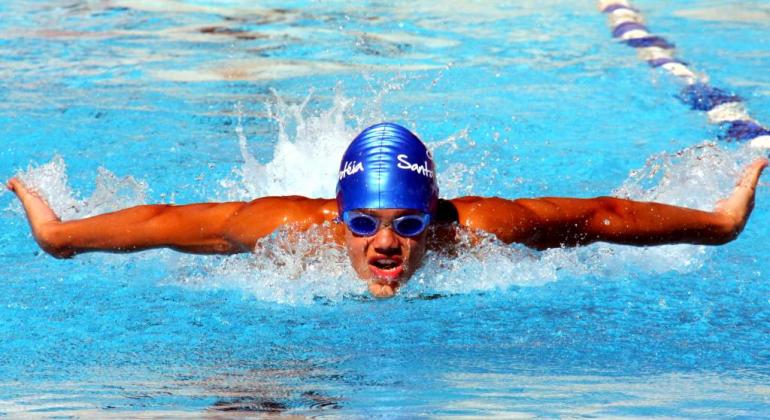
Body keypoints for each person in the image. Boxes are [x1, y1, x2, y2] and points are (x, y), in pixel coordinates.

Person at [8, 122, 767, 297]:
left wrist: (721, 225)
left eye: (406, 224)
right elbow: (162, 224)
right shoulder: (291, 229)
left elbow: (602, 215)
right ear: (339, 216)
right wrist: (60, 237)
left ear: (430, 215)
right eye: (365, 223)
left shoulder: (474, 232)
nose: (384, 244)